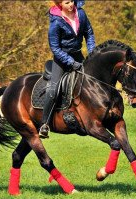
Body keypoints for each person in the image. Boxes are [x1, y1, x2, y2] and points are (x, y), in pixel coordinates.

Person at [39, 0, 95, 138]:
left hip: (78, 55)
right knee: (54, 88)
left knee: (93, 80)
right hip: (61, 60)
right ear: (60, 5)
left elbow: (89, 33)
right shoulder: (56, 23)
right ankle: (44, 124)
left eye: (72, 1)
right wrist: (70, 62)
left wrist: (92, 54)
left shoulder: (81, 13)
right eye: (67, 2)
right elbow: (55, 48)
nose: (71, 4)